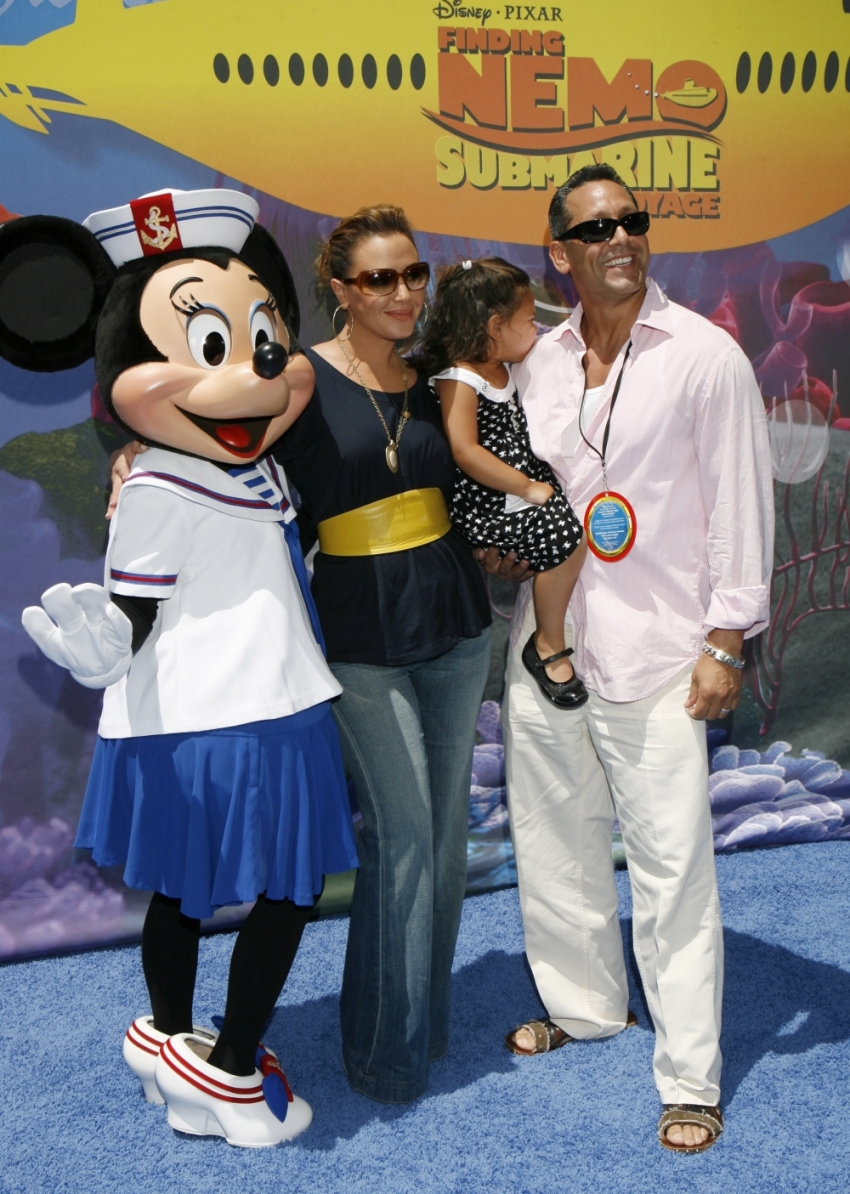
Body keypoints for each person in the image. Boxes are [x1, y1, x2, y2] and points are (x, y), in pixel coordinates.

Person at [3, 190, 360, 1147]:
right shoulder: (157, 480)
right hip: (207, 720)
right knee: (234, 891)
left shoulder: (260, 470)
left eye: (262, 346)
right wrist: (106, 646)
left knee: (245, 891)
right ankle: (221, 1064)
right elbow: (136, 608)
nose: (248, 380)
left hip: (279, 702)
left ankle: (181, 1038)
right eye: (209, 347)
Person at [113, 205, 493, 1104]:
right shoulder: (298, 380)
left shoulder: (445, 378)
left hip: (458, 622)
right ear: (340, 290)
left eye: (414, 275)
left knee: (442, 838)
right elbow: (209, 438)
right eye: (379, 278)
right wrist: (134, 453)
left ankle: (424, 1024)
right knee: (399, 839)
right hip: (357, 635)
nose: (402, 293)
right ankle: (382, 1054)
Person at [492, 164, 774, 1154]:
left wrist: (726, 639)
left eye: (632, 221)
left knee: (673, 874)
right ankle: (582, 1007)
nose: (619, 238)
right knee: (555, 845)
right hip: (553, 647)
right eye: (595, 227)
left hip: (666, 655)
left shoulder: (706, 356)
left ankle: (690, 1075)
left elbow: (743, 504)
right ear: (559, 254)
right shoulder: (535, 358)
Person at [417, 257, 587, 709]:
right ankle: (547, 642)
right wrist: (526, 488)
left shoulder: (506, 368)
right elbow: (465, 450)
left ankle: (548, 636)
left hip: (514, 495)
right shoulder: (460, 376)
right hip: (488, 504)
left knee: (565, 535)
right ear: (495, 326)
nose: (536, 329)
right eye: (529, 320)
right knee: (567, 537)